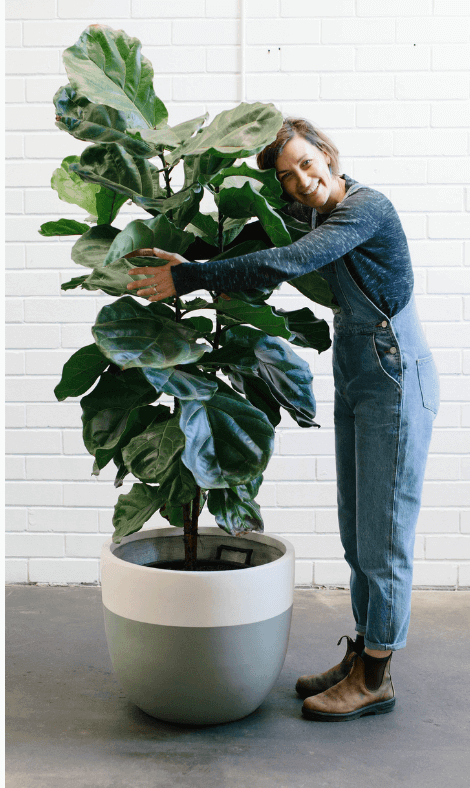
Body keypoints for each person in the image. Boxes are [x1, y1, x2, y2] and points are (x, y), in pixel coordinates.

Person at [124, 118, 438, 722]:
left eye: (306, 163)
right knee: (356, 528)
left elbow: (288, 262)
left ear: (328, 153)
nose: (301, 180)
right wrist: (186, 255)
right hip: (359, 371)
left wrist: (184, 278)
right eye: (288, 176)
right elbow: (251, 242)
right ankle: (363, 654)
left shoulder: (366, 209)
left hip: (396, 376)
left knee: (385, 534)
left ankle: (377, 676)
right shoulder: (316, 211)